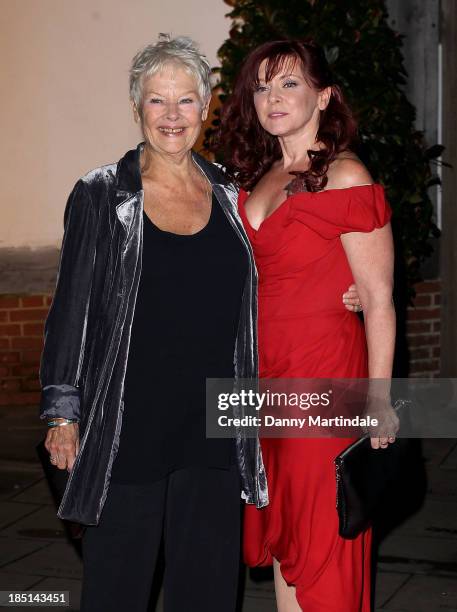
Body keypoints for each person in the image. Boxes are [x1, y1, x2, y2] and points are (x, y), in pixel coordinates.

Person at [40, 35, 364, 612]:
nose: (172, 116)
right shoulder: (101, 194)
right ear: (136, 107)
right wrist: (63, 412)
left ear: (206, 106)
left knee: (209, 590)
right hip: (128, 423)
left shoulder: (229, 193)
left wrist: (352, 289)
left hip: (218, 423)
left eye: (186, 100)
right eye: (157, 101)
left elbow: (279, 264)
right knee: (117, 586)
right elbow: (71, 309)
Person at [217, 39, 397, 611]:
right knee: (286, 536)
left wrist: (380, 398)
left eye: (290, 83)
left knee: (323, 533)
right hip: (264, 376)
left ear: (325, 95)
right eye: (263, 86)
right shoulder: (260, 173)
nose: (273, 97)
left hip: (324, 373)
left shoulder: (345, 175)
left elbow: (379, 298)